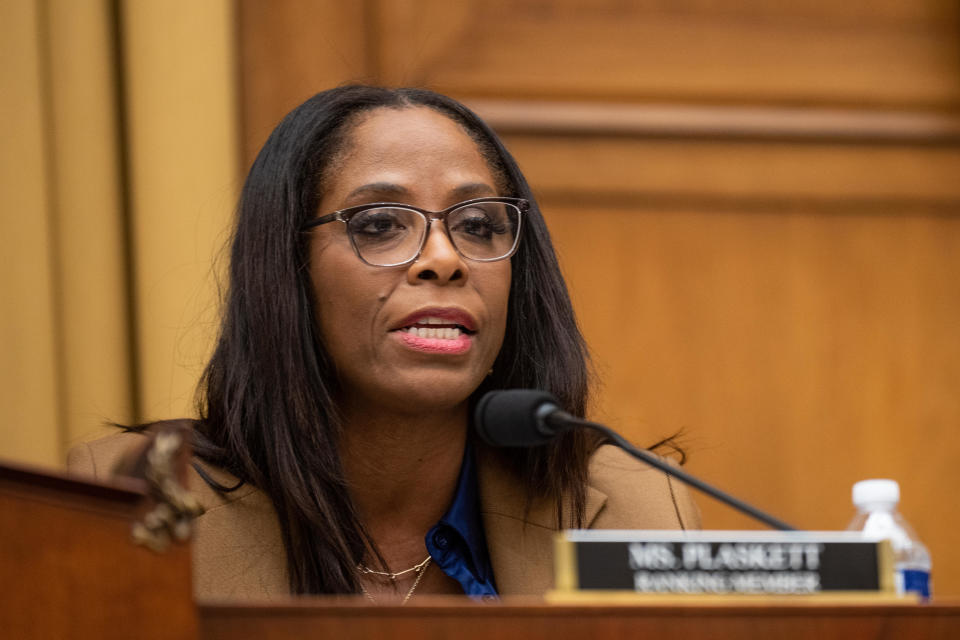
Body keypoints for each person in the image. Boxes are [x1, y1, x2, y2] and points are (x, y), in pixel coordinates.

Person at [68, 85, 700, 601]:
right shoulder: (133, 502)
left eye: (478, 224)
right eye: (379, 225)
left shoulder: (631, 503)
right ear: (288, 268)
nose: (445, 259)